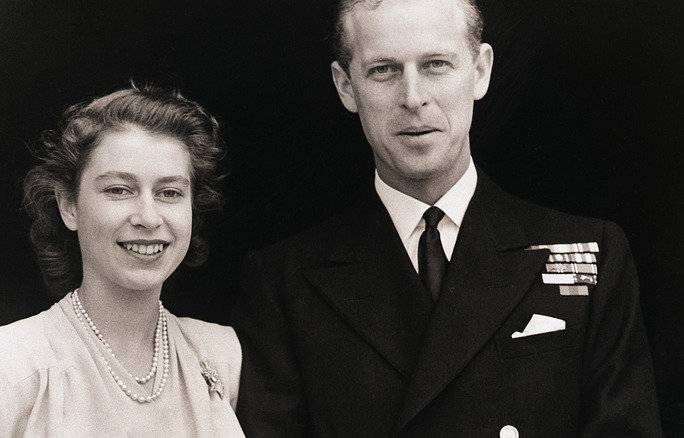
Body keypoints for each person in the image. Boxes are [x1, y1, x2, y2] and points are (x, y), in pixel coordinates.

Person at [232, 0, 662, 436]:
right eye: (384, 69)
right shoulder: (283, 283)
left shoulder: (594, 252)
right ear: (346, 86)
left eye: (436, 64)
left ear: (480, 71)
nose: (413, 97)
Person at [0, 85, 245, 437]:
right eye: (118, 190)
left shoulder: (217, 353)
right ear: (68, 206)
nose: (149, 218)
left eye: (169, 193)